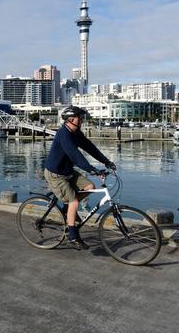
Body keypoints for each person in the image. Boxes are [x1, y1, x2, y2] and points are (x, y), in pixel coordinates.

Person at [44, 106, 116, 249]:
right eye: (80, 118)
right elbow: (74, 155)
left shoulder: (76, 133)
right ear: (71, 119)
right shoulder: (63, 134)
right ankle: (72, 235)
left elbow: (90, 147)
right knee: (74, 202)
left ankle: (66, 210)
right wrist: (91, 169)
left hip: (68, 172)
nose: (82, 120)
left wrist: (106, 161)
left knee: (90, 187)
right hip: (56, 175)